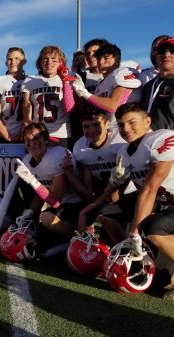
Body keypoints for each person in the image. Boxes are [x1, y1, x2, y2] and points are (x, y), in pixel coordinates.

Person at [107, 103, 174, 300]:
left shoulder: (160, 139)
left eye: (131, 122)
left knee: (154, 227)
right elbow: (114, 198)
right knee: (108, 212)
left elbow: (150, 188)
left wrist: (134, 232)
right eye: (121, 125)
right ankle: (143, 260)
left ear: (147, 121)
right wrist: (115, 182)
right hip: (165, 205)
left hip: (166, 204)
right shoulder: (124, 152)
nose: (126, 129)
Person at [71, 107, 136, 244]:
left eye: (96, 124)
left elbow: (114, 194)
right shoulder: (80, 149)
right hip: (107, 194)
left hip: (132, 191)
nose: (91, 130)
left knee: (102, 213)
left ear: (108, 125)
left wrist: (89, 208)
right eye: (86, 126)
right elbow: (88, 192)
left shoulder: (120, 144)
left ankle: (123, 248)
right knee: (87, 213)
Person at [14, 123, 82, 253]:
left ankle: (79, 240)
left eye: (36, 139)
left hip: (75, 204)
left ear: (46, 141)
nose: (32, 143)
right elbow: (40, 193)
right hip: (61, 207)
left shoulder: (58, 156)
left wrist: (32, 181)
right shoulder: (27, 160)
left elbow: (56, 201)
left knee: (46, 218)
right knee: (38, 244)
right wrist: (29, 212)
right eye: (28, 140)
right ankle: (66, 243)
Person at [72, 42, 141, 128]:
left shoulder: (123, 72)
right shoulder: (101, 84)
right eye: (99, 58)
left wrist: (85, 93)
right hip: (108, 130)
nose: (101, 62)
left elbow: (114, 107)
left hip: (125, 129)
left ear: (117, 61)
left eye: (106, 58)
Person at [21, 45, 75, 147]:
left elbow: (71, 108)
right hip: (37, 133)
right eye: (45, 59)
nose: (49, 62)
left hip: (60, 133)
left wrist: (66, 82)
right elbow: (26, 105)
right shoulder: (30, 80)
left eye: (54, 59)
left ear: (61, 62)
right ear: (40, 63)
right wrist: (27, 128)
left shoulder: (67, 79)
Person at [0, 47, 27, 142]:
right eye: (9, 59)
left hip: (27, 136)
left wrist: (24, 134)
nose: (13, 61)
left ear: (24, 61)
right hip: (3, 135)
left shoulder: (30, 81)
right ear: (6, 62)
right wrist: (7, 137)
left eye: (17, 58)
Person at [141, 37, 174, 130]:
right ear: (156, 55)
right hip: (147, 141)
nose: (166, 55)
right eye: (161, 51)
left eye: (172, 51)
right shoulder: (149, 85)